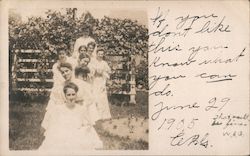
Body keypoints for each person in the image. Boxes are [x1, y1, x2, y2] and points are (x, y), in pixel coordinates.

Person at [39, 82, 103, 150]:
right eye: (69, 95)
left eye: (73, 94)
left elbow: (87, 124)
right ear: (65, 96)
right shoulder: (59, 109)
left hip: (77, 133)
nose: (71, 97)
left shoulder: (81, 109)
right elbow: (54, 124)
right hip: (63, 133)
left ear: (76, 95)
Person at [91, 48, 112, 120]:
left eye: (102, 54)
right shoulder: (93, 62)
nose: (100, 55)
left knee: (102, 97)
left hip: (101, 81)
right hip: (94, 81)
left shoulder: (104, 63)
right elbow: (91, 72)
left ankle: (103, 115)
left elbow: (109, 71)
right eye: (99, 54)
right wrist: (95, 72)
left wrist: (103, 73)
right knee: (95, 96)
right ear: (96, 54)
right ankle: (95, 115)